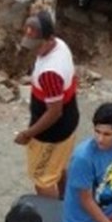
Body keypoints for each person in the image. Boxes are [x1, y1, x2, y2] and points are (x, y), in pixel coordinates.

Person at [16, 11, 79, 199]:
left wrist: (28, 134)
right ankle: (66, 204)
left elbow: (54, 112)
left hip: (51, 134)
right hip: (69, 121)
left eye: (38, 45)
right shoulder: (60, 45)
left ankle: (53, 218)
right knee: (57, 167)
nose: (35, 50)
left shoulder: (50, 73)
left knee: (42, 179)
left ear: (50, 38)